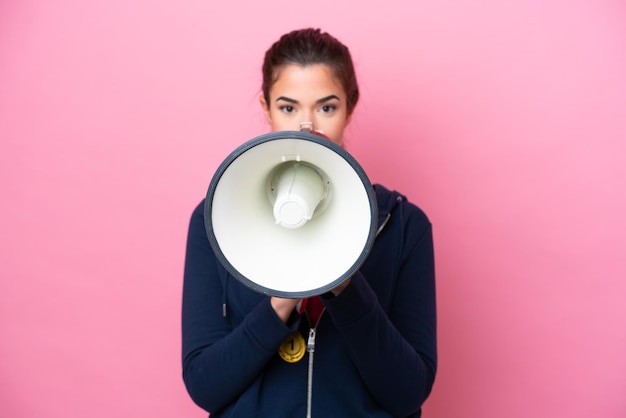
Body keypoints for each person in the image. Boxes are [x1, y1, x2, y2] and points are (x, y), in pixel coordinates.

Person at [182, 28, 437, 417]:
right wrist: (280, 303)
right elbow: (204, 385)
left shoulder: (403, 225)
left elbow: (408, 392)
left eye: (326, 107)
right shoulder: (214, 220)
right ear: (265, 106)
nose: (308, 127)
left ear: (350, 106)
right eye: (288, 108)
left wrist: (343, 283)